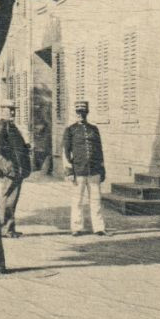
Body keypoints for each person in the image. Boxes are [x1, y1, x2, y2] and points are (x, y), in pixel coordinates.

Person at [62, 101, 108, 236]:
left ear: (87, 113)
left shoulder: (94, 129)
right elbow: (65, 151)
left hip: (94, 170)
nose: (80, 115)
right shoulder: (70, 130)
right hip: (78, 171)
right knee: (77, 201)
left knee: (96, 200)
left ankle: (99, 228)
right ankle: (76, 228)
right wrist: (69, 170)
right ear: (75, 113)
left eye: (83, 112)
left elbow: (99, 151)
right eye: (78, 113)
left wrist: (102, 169)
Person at [0, 101, 32, 237]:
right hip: (10, 167)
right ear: (2, 110)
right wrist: (8, 160)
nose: (12, 112)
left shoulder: (11, 126)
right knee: (7, 198)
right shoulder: (2, 125)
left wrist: (25, 147)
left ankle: (9, 228)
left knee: (12, 198)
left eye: (13, 110)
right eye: (9, 110)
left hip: (17, 167)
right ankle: (5, 228)